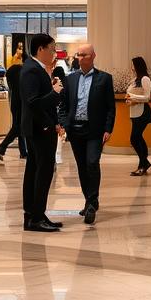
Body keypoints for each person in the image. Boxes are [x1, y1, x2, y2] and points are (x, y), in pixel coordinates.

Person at [58, 44, 114, 225]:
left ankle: (92, 202)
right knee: (82, 166)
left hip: (95, 130)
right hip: (75, 130)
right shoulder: (71, 79)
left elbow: (110, 108)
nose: (81, 58)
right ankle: (89, 201)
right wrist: (65, 124)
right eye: (79, 55)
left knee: (92, 162)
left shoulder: (104, 79)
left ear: (93, 56)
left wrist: (108, 129)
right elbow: (64, 105)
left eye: (85, 55)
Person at [21, 33, 64, 232]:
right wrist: (54, 93)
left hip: (42, 126)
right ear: (40, 49)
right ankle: (35, 217)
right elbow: (33, 103)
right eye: (52, 49)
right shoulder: (31, 70)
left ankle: (35, 214)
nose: (54, 53)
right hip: (39, 129)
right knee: (42, 172)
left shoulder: (37, 68)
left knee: (35, 170)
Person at [0, 49, 27, 160]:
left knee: (18, 126)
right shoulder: (20, 70)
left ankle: (23, 152)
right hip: (20, 102)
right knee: (18, 127)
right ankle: (2, 147)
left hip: (15, 102)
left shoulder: (12, 70)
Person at [127, 56, 151, 176]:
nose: (131, 67)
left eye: (133, 64)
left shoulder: (144, 79)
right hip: (134, 112)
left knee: (135, 138)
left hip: (143, 113)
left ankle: (143, 163)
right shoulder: (134, 80)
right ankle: (144, 163)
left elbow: (147, 97)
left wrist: (132, 97)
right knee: (137, 138)